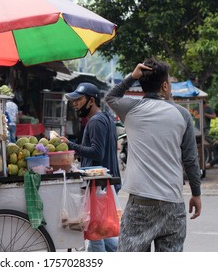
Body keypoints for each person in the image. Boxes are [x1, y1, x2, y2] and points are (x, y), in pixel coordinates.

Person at [105, 57, 202, 252]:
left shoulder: (131, 109)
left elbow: (111, 97)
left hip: (140, 205)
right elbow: (191, 159)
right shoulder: (182, 115)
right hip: (172, 205)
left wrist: (132, 77)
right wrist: (196, 194)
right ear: (165, 85)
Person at [60, 82, 121, 252]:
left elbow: (96, 153)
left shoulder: (95, 122)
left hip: (99, 185)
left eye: (79, 100)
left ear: (91, 101)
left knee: (95, 233)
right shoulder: (105, 118)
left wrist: (71, 145)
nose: (75, 104)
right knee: (103, 233)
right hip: (104, 183)